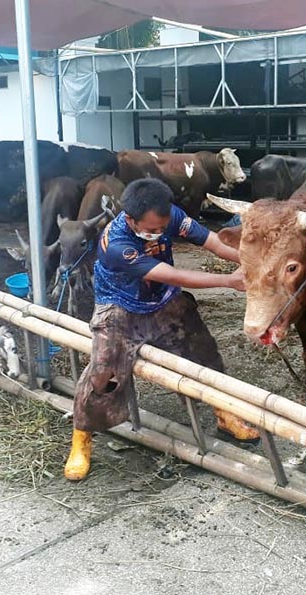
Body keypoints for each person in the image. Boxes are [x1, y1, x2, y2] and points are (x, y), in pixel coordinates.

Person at [64, 178, 259, 481]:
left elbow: (214, 242)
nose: (157, 233)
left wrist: (255, 263)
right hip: (119, 306)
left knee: (203, 349)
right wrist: (228, 281)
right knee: (103, 370)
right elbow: (169, 273)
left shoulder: (172, 216)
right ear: (130, 219)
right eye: (151, 229)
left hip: (161, 298)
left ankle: (224, 413)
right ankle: (82, 437)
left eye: (161, 228)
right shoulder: (116, 243)